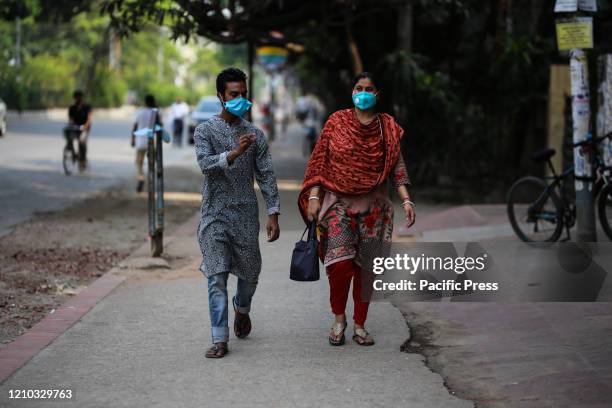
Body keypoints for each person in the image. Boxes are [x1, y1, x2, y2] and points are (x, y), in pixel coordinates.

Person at [298, 72, 416, 347]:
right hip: (337, 203)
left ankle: (360, 324)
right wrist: (314, 196)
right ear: (352, 92)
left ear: (377, 94)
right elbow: (320, 164)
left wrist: (407, 199)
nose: (363, 92)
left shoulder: (388, 128)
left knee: (366, 269)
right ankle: (339, 319)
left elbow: (397, 166)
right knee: (340, 265)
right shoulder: (336, 122)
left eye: (369, 88)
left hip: (375, 207)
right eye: (359, 87)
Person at [194, 67, 281, 358]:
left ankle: (241, 308)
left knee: (250, 273)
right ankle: (220, 338)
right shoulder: (204, 130)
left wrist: (273, 212)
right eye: (234, 94)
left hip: (245, 214)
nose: (240, 99)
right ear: (220, 96)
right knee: (216, 276)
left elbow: (266, 175)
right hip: (214, 214)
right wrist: (232, 153)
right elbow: (205, 165)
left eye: (244, 94)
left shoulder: (255, 134)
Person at [131, 94, 161, 193]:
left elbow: (135, 126)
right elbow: (159, 127)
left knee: (138, 163)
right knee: (152, 163)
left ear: (145, 102)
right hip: (151, 142)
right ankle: (151, 179)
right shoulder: (155, 113)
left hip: (140, 142)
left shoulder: (140, 112)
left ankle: (141, 178)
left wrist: (133, 139)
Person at [68, 90, 93, 171]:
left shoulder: (87, 107)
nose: (78, 99)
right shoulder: (72, 108)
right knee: (69, 139)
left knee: (82, 142)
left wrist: (85, 126)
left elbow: (89, 118)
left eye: (79, 97)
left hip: (84, 128)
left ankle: (83, 159)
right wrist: (71, 124)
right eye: (76, 98)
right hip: (75, 127)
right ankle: (73, 154)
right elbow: (71, 119)